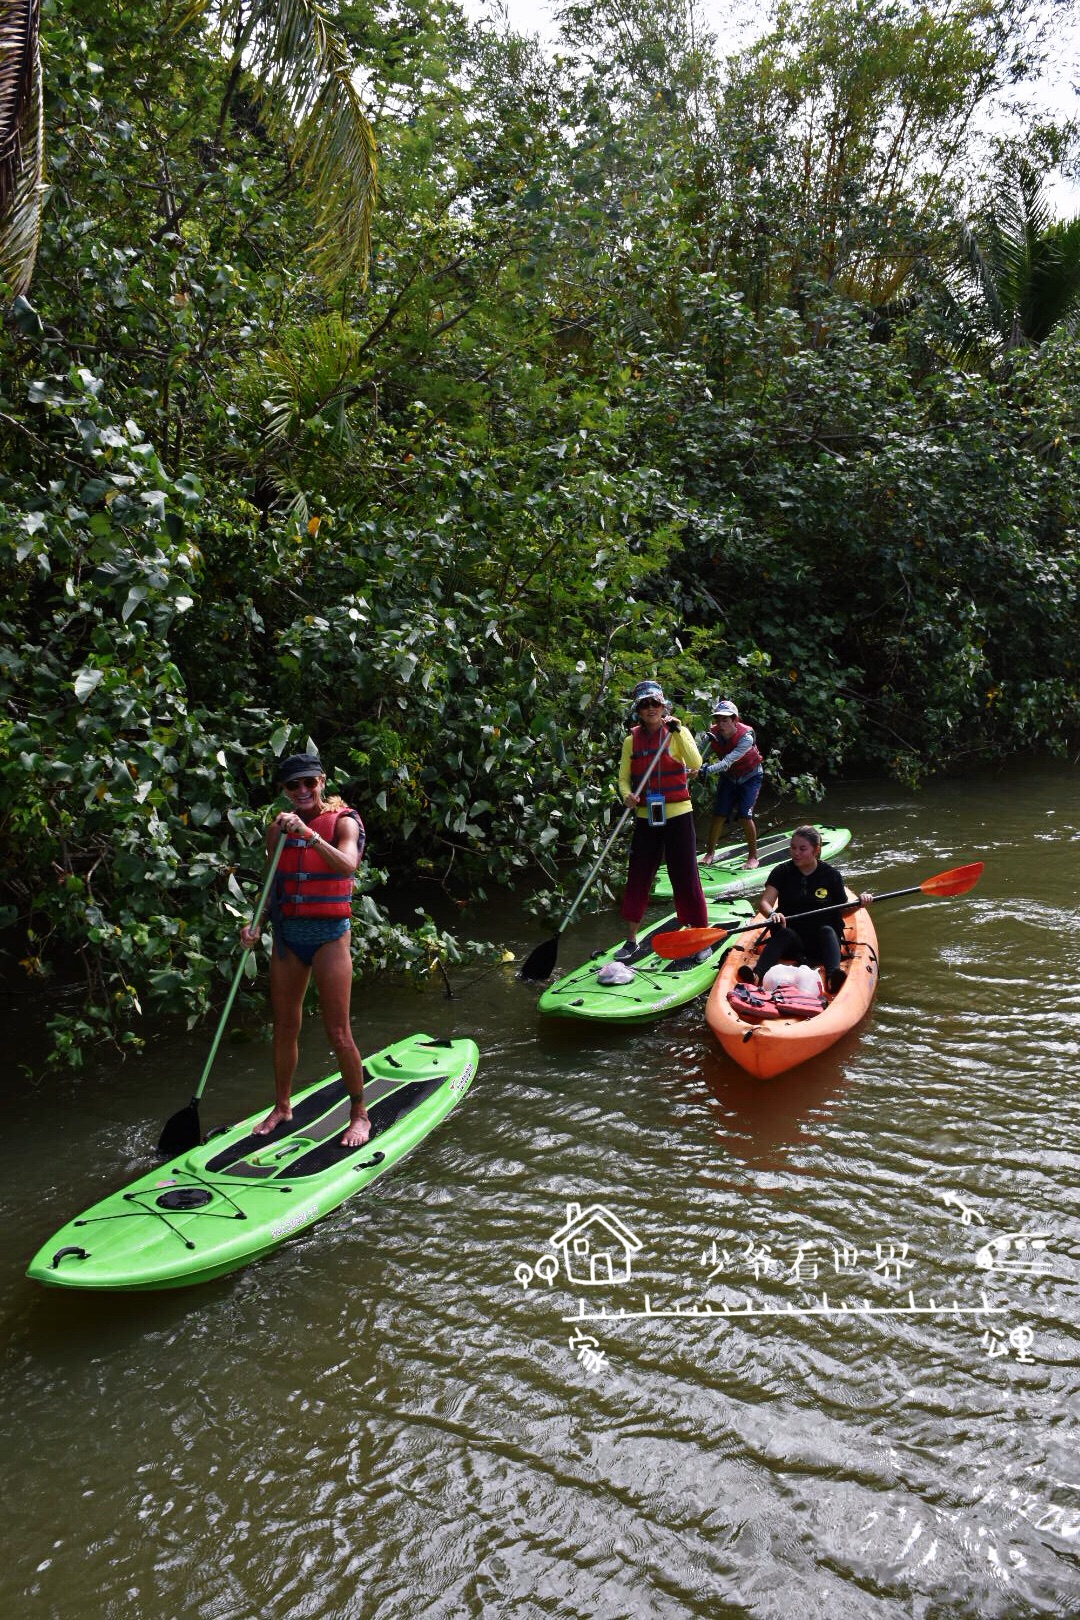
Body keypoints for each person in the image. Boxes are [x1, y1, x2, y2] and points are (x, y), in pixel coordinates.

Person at [240, 752, 369, 1148]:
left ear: (322, 780)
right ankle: (282, 1106)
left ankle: (360, 1113)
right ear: (283, 790)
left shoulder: (345, 820)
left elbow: (348, 866)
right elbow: (272, 880)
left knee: (338, 1031)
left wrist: (310, 835)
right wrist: (256, 921)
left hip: (330, 935)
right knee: (285, 1027)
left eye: (308, 782)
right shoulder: (276, 830)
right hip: (288, 936)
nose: (301, 791)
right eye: (292, 785)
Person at [614, 680, 709, 962]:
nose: (651, 708)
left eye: (655, 703)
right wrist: (627, 795)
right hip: (647, 817)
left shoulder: (677, 732)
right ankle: (631, 940)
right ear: (638, 711)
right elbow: (622, 778)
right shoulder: (631, 740)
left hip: (678, 813)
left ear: (663, 706)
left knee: (685, 875)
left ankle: (698, 935)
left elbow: (695, 763)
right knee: (639, 875)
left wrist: (678, 731)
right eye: (645, 705)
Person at [738, 825, 872, 995]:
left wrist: (859, 904)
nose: (796, 853)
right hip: (792, 942)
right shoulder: (782, 871)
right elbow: (765, 902)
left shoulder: (831, 876)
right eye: (793, 848)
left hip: (822, 944)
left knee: (828, 930)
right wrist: (772, 914)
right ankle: (757, 975)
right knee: (785, 933)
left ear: (816, 850)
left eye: (802, 849)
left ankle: (832, 978)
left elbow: (841, 911)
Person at [701, 699, 764, 869]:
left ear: (735, 720)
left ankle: (753, 857)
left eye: (725, 720)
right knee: (719, 814)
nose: (721, 724)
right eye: (718, 720)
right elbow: (698, 754)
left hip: (750, 776)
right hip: (729, 777)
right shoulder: (712, 734)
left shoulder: (746, 737)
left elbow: (727, 761)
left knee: (745, 815)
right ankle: (709, 854)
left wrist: (704, 771)